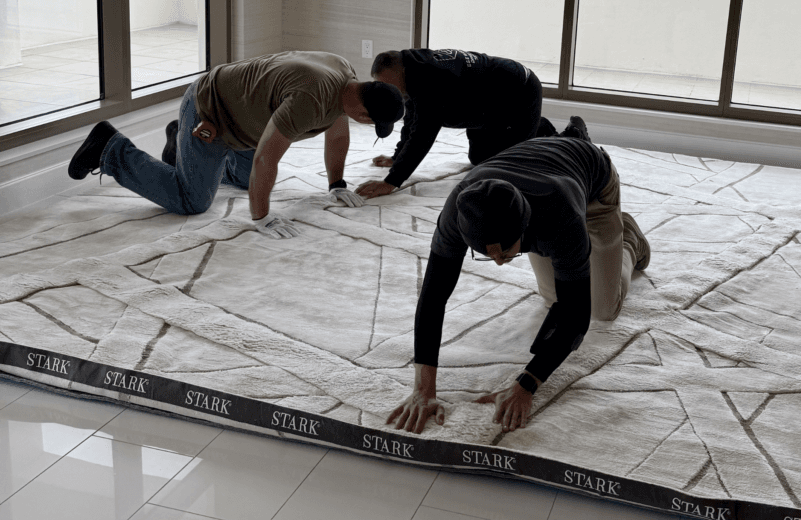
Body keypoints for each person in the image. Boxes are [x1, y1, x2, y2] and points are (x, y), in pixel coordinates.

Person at [386, 124, 650, 435]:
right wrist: (423, 389)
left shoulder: (558, 216)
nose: (498, 261)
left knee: (602, 308)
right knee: (553, 297)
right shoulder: (459, 212)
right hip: (533, 167)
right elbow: (433, 297)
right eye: (486, 254)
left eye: (506, 252)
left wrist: (526, 384)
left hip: (592, 183)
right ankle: (567, 141)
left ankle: (628, 238)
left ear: (524, 229)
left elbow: (576, 317)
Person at [67, 51, 405, 238]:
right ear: (363, 111)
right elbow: (265, 162)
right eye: (373, 123)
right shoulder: (310, 99)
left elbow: (337, 133)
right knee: (192, 200)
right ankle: (110, 148)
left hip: (243, 121)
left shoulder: (346, 77)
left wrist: (336, 184)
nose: (369, 126)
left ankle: (179, 145)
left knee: (247, 182)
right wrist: (261, 217)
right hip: (210, 113)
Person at [356, 48, 572, 199]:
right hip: (484, 106)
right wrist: (397, 157)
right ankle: (533, 126)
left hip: (519, 91)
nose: (388, 92)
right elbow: (412, 120)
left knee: (513, 167)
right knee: (480, 161)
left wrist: (391, 182)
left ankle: (568, 136)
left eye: (387, 85)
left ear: (400, 71)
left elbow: (423, 134)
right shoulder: (411, 68)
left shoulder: (428, 80)